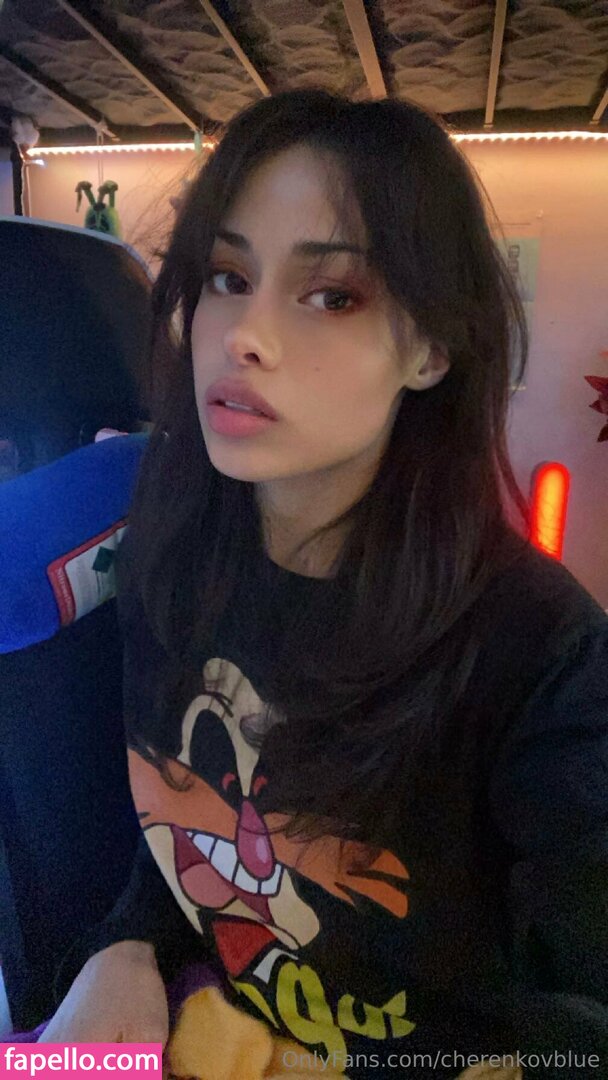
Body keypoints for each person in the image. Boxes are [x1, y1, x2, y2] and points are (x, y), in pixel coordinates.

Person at [38, 90, 607, 1078]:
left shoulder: (540, 653)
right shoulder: (171, 559)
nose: (242, 335)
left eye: (331, 295)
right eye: (227, 277)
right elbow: (184, 824)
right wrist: (122, 946)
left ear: (430, 347)